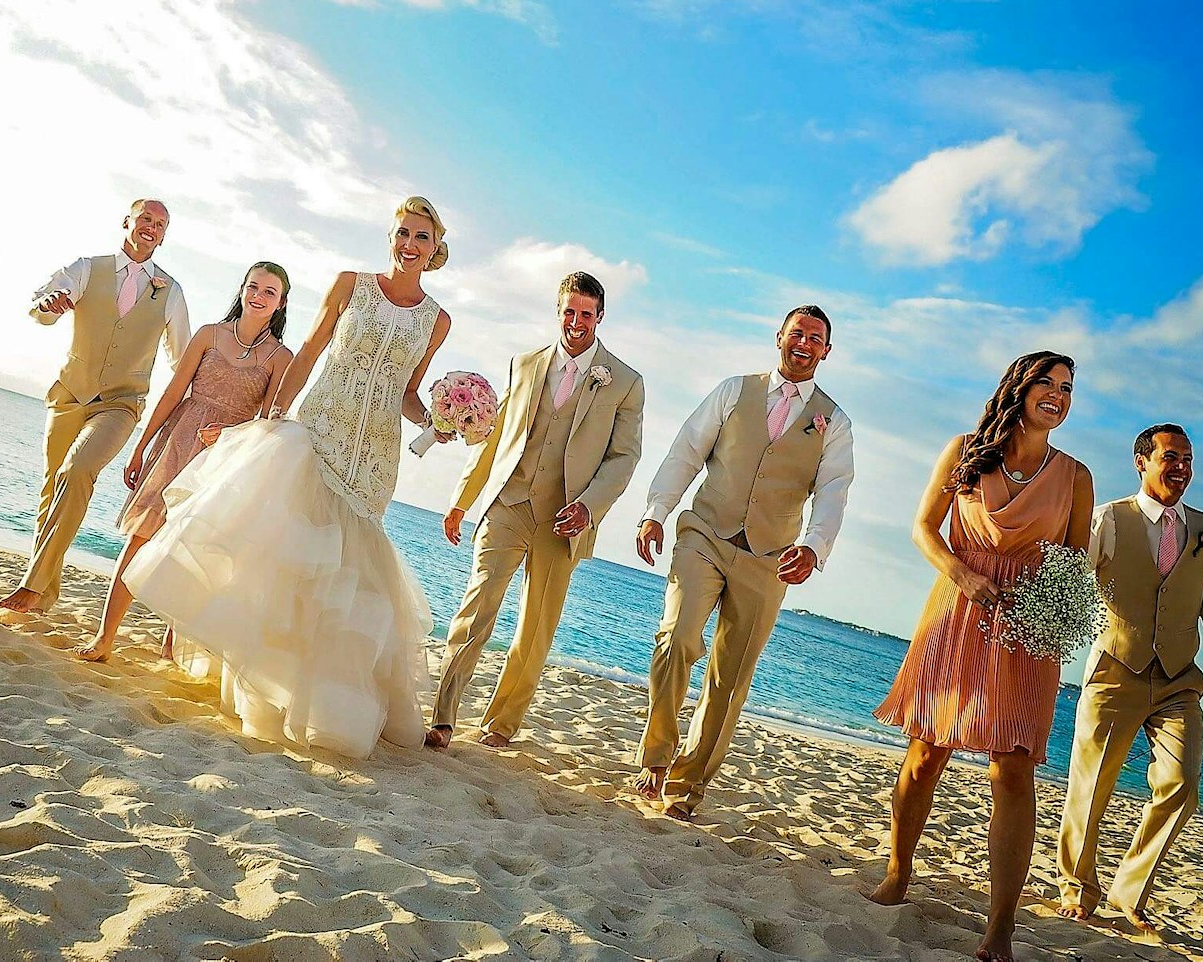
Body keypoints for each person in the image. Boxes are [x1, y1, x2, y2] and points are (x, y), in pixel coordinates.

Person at [122, 197, 454, 758]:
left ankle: (316, 697)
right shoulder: (351, 283)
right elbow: (313, 348)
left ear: (435, 247)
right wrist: (278, 409)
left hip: (373, 453)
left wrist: (439, 421)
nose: (409, 245)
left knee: (340, 570)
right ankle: (258, 685)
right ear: (391, 236)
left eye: (421, 238)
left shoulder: (437, 320)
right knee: (287, 550)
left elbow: (408, 393)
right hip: (320, 427)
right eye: (402, 233)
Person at [869, 351, 1094, 962]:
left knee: (1013, 769)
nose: (1057, 395)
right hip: (958, 610)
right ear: (1018, 388)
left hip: (1029, 631)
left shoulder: (1075, 477)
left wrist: (1042, 611)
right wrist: (964, 577)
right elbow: (923, 527)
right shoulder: (966, 449)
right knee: (925, 752)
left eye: (1067, 388)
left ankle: (1000, 926)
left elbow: (1074, 569)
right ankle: (897, 871)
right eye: (1046, 382)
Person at [631, 305, 855, 818]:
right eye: (797, 333)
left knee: (730, 678)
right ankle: (658, 753)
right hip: (705, 532)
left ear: (827, 351)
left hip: (770, 559)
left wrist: (814, 547)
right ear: (779, 336)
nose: (804, 343)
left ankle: (687, 788)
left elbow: (834, 492)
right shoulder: (735, 390)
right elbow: (686, 450)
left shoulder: (834, 422)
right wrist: (656, 512)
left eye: (815, 338)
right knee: (678, 635)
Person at [426, 271, 644, 750]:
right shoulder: (524, 364)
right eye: (569, 310)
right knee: (475, 608)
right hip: (509, 502)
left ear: (600, 317)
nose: (576, 321)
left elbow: (624, 457)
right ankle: (443, 716)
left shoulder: (625, 382)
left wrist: (589, 507)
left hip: (565, 517)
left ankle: (501, 723)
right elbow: (497, 437)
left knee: (536, 624)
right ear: (558, 310)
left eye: (586, 314)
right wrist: (462, 500)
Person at [1057, 423, 1203, 934]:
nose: (1182, 468)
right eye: (1171, 457)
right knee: (1091, 784)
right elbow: (1071, 583)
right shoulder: (1109, 520)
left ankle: (1130, 890)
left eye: (1188, 459)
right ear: (1141, 461)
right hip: (1114, 672)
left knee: (1182, 785)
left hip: (1178, 679)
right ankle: (1078, 888)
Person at [77, 261, 294, 661]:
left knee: (194, 546)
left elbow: (269, 422)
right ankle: (105, 637)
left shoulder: (282, 357)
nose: (259, 297)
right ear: (242, 290)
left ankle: (172, 641)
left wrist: (229, 437)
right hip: (177, 439)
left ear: (281, 305)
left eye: (270, 293)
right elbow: (174, 391)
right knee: (141, 535)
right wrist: (142, 445)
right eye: (254, 287)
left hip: (227, 458)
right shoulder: (209, 335)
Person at [0, 198, 190, 614]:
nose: (152, 227)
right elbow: (42, 304)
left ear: (164, 234)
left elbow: (183, 361)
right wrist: (50, 305)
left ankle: (32, 585)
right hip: (69, 394)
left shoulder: (170, 292)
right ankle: (46, 594)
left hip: (122, 405)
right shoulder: (88, 268)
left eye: (160, 224)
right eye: (145, 219)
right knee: (53, 490)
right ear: (127, 222)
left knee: (78, 469)